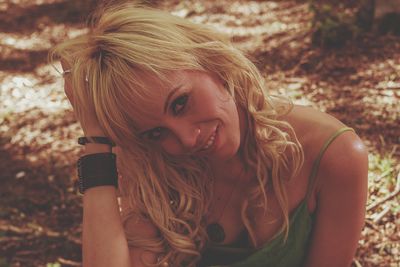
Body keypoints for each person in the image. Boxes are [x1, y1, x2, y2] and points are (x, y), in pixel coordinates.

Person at [50, 2, 368, 267]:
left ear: (210, 61)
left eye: (180, 103)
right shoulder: (157, 161)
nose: (187, 141)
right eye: (157, 132)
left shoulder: (333, 154)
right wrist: (95, 140)